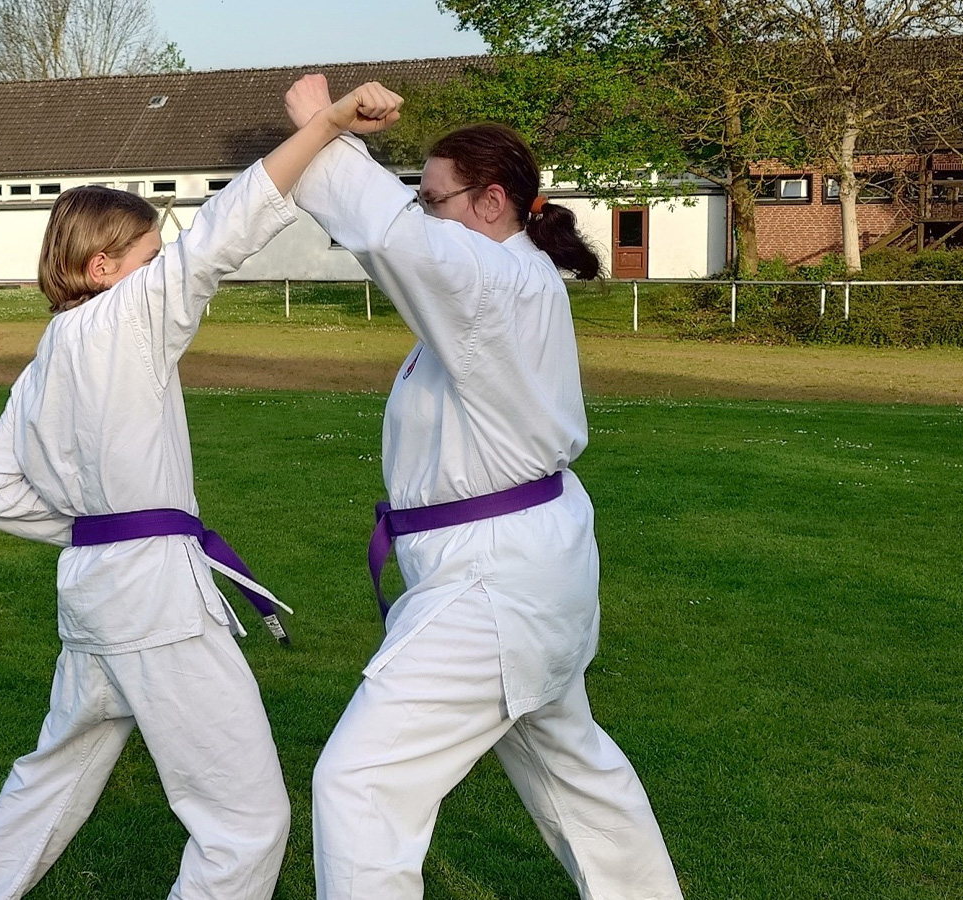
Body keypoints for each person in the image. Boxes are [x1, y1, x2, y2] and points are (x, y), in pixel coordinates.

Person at [0, 78, 404, 900]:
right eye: (149, 259)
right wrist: (330, 123)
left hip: (95, 598)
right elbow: (226, 229)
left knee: (49, 781)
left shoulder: (47, 356)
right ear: (103, 267)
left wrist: (91, 530)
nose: (162, 272)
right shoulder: (124, 315)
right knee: (245, 822)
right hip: (154, 604)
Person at [284, 76, 685, 900]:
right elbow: (397, 239)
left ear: (492, 201)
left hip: (492, 582)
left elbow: (393, 237)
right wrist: (333, 138)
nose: (424, 214)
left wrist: (322, 129)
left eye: (435, 200)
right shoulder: (500, 284)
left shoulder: (497, 283)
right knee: (577, 776)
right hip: (520, 566)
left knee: (360, 785)